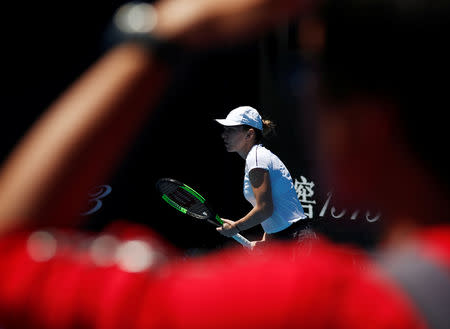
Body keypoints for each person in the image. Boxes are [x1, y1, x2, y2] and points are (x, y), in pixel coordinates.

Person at [0, 1, 449, 329]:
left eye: (307, 74)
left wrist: (161, 36)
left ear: (367, 120)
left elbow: (8, 266)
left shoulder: (321, 302)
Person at [214, 106, 310, 244]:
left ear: (249, 134)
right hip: (286, 237)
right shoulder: (257, 157)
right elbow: (276, 208)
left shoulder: (257, 158)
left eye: (231, 130)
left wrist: (236, 227)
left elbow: (265, 209)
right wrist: (266, 240)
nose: (224, 135)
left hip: (295, 239)